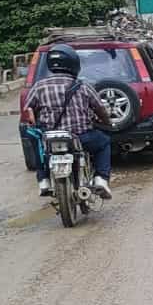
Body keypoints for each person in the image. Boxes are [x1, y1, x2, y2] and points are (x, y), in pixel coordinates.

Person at [26, 44, 113, 198]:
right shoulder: (83, 86)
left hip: (51, 138)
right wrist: (106, 122)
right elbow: (100, 108)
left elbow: (28, 111)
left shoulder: (39, 86)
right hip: (81, 137)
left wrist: (37, 122)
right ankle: (101, 179)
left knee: (40, 149)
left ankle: (43, 180)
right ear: (74, 63)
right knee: (104, 142)